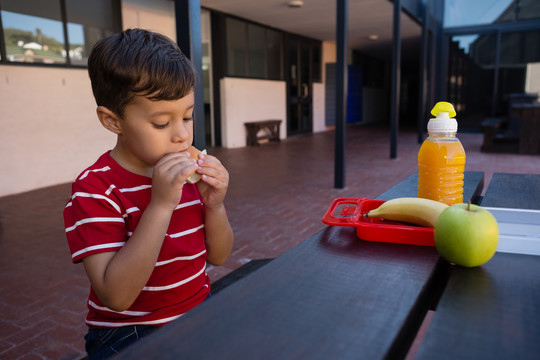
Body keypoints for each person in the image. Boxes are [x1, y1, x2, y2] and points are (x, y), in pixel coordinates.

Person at [63, 28, 234, 359]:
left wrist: (214, 206)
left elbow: (219, 257)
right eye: (161, 124)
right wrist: (160, 205)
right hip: (129, 332)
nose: (182, 136)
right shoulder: (95, 189)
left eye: (187, 116)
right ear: (113, 121)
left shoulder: (186, 175)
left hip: (199, 310)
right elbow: (116, 296)